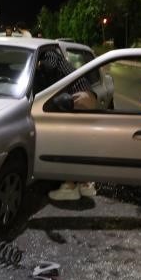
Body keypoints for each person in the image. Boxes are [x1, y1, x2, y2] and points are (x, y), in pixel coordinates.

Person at [34, 47, 98, 201]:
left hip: (79, 97)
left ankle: (69, 186)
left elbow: (49, 67)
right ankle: (85, 183)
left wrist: (37, 66)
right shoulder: (53, 54)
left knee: (69, 142)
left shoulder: (48, 55)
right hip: (85, 94)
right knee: (80, 143)